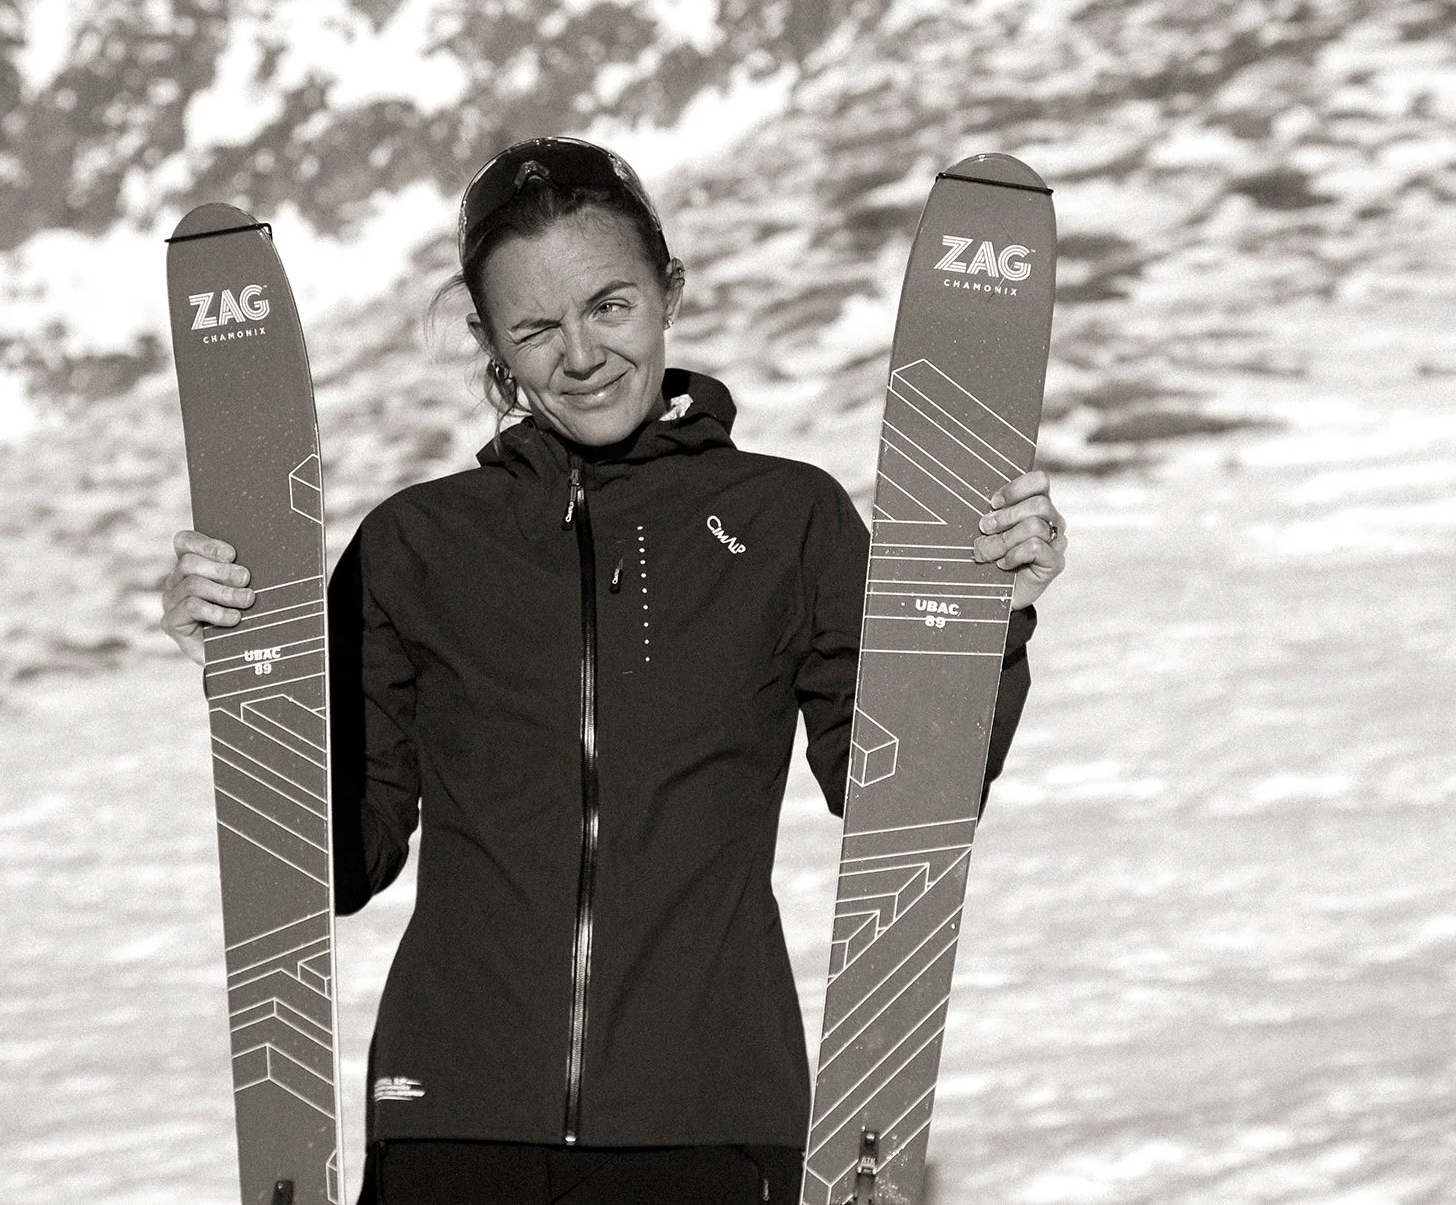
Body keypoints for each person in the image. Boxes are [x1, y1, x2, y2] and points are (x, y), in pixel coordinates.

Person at [161, 137, 1068, 1205]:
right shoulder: (417, 545)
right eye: (535, 327)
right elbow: (334, 861)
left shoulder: (788, 521)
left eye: (610, 305)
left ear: (669, 290)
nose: (580, 353)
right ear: (487, 341)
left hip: (715, 1119)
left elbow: (901, 798)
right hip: (453, 1122)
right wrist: (244, 667)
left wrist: (986, 623)